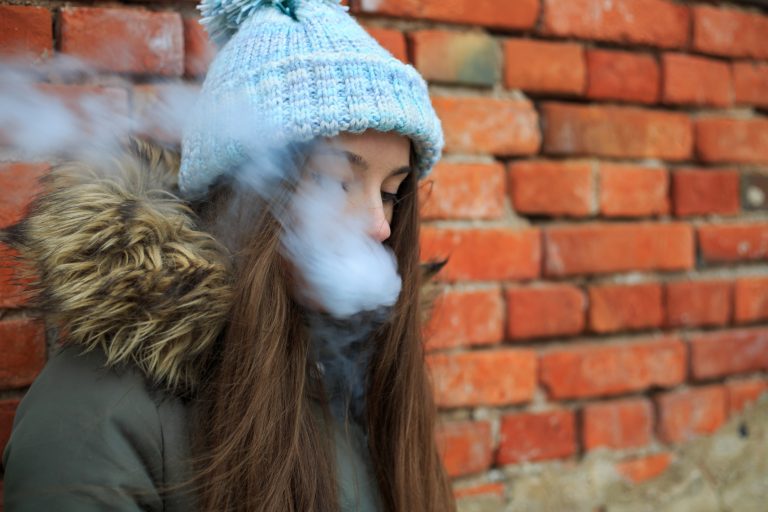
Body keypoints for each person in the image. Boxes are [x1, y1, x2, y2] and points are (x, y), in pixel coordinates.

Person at [1, 0, 455, 511]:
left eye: (392, 193)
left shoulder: (359, 379)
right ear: (241, 197)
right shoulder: (100, 411)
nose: (378, 225)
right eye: (333, 180)